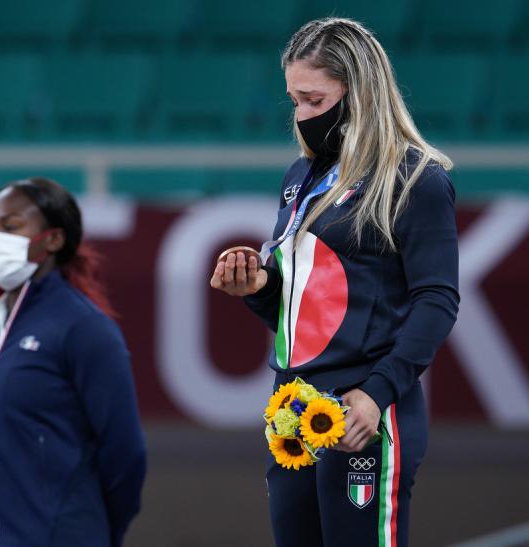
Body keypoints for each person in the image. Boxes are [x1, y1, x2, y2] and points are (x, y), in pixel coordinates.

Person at [210, 18, 459, 547]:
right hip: (293, 409)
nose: (300, 117)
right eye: (294, 102)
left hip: (363, 409)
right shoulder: (300, 178)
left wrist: (376, 394)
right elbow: (300, 309)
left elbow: (437, 300)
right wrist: (256, 286)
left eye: (313, 101)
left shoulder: (415, 179)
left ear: (359, 95)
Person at [0, 178, 146, 547]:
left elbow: (125, 453)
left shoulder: (84, 327)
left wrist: (93, 530)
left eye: (11, 226)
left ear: (54, 239)